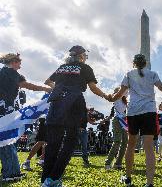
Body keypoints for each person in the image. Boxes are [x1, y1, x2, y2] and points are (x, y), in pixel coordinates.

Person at [109, 54, 162, 187]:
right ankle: (149, 183)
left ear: (134, 63)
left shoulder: (129, 74)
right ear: (146, 63)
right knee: (149, 147)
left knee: (130, 145)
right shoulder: (152, 73)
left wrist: (111, 98)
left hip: (133, 112)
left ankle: (128, 178)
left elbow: (120, 93)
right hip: (149, 112)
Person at [41, 45, 110, 187]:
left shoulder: (61, 67)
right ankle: (54, 178)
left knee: (53, 143)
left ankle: (45, 180)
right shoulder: (85, 68)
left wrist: (60, 89)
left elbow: (47, 82)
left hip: (57, 101)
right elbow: (93, 88)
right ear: (81, 56)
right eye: (85, 56)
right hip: (74, 102)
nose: (86, 58)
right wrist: (105, 96)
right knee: (71, 141)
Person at [0, 53, 51, 182]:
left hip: (3, 109)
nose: (20, 65)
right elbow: (29, 86)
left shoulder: (2, 72)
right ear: (13, 62)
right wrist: (48, 89)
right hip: (5, 111)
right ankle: (11, 173)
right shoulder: (11, 73)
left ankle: (10, 170)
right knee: (8, 140)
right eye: (19, 62)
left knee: (5, 140)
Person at [105, 87, 128, 170]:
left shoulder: (124, 99)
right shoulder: (116, 97)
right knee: (117, 141)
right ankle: (108, 162)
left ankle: (118, 163)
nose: (124, 91)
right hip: (117, 120)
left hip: (124, 121)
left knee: (125, 142)